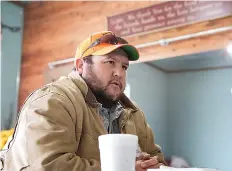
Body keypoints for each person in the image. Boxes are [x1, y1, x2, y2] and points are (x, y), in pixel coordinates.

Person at [0, 31, 167, 171]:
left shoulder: (132, 112)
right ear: (81, 66)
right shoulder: (53, 100)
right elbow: (46, 166)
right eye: (110, 62)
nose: (119, 73)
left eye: (124, 67)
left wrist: (150, 166)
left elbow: (157, 160)